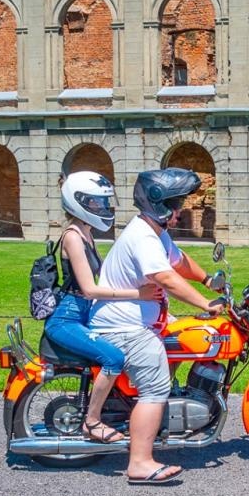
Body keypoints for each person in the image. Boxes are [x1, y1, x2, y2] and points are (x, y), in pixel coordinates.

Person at [89, 168, 224, 485]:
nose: (180, 211)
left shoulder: (155, 233)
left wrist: (208, 280)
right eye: (177, 203)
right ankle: (139, 463)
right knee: (154, 388)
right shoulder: (144, 237)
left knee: (185, 338)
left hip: (138, 320)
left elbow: (177, 261)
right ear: (159, 203)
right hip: (125, 327)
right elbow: (165, 278)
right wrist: (205, 303)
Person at [42, 171, 163, 445]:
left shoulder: (87, 232)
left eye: (103, 203)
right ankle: (92, 422)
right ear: (78, 203)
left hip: (83, 314)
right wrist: (140, 294)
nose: (103, 208)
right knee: (113, 358)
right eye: (96, 203)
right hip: (67, 319)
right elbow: (89, 289)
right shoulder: (73, 236)